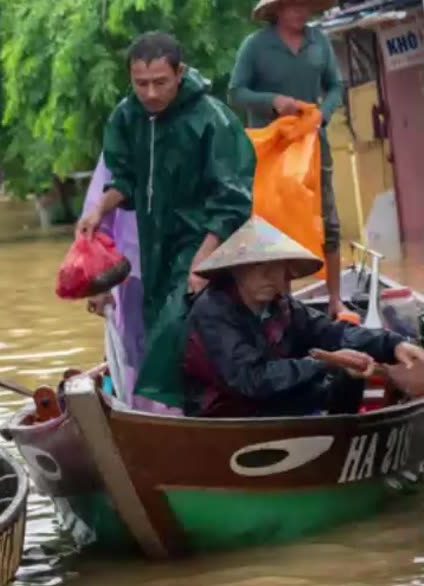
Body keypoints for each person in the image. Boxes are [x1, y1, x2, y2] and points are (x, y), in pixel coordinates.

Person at [77, 31, 256, 407]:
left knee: (176, 328)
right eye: (141, 83)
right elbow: (123, 179)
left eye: (160, 82)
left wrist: (204, 259)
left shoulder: (211, 120)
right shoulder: (128, 116)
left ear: (180, 73)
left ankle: (184, 418)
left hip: (204, 239)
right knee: (155, 326)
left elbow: (232, 200)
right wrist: (99, 209)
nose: (151, 93)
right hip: (153, 243)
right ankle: (174, 418)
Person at [183, 217, 424, 418]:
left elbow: (333, 332)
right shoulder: (212, 311)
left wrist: (393, 345)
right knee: (332, 367)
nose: (269, 276)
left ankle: (341, 441)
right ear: (236, 271)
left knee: (349, 371)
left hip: (273, 403)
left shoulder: (281, 305)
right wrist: (323, 362)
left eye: (276, 267)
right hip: (227, 412)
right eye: (256, 267)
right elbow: (251, 379)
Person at [230, 0, 344, 317]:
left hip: (311, 146)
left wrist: (323, 112)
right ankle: (283, 306)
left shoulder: (318, 41)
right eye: (293, 5)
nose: (301, 11)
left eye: (305, 5)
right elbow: (236, 92)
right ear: (277, 10)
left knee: (328, 222)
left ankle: (335, 299)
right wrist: (272, 101)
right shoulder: (255, 46)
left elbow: (336, 86)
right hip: (270, 152)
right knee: (275, 227)